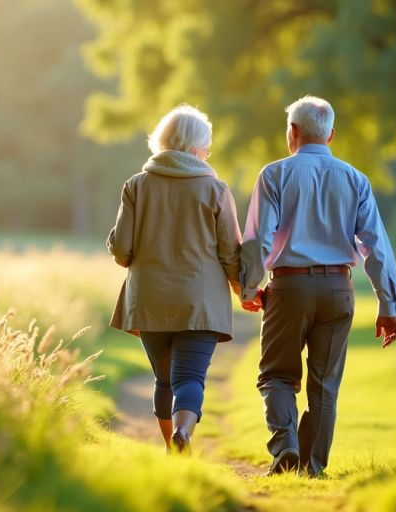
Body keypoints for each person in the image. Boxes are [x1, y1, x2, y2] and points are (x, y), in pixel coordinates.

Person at [240, 95, 396, 476]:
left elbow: (259, 239)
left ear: (291, 132)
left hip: (289, 288)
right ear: (331, 135)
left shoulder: (274, 174)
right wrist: (388, 305)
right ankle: (312, 468)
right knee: (325, 385)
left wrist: (249, 288)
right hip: (338, 290)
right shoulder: (355, 179)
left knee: (277, 375)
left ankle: (285, 446)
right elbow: (376, 246)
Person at [107, 104, 242, 454]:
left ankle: (171, 446)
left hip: (148, 299)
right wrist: (244, 288)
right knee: (190, 378)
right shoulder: (215, 190)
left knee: (164, 379)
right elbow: (231, 253)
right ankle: (184, 434)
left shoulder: (136, 185)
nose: (207, 154)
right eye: (207, 147)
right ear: (196, 148)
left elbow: (122, 250)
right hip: (200, 303)